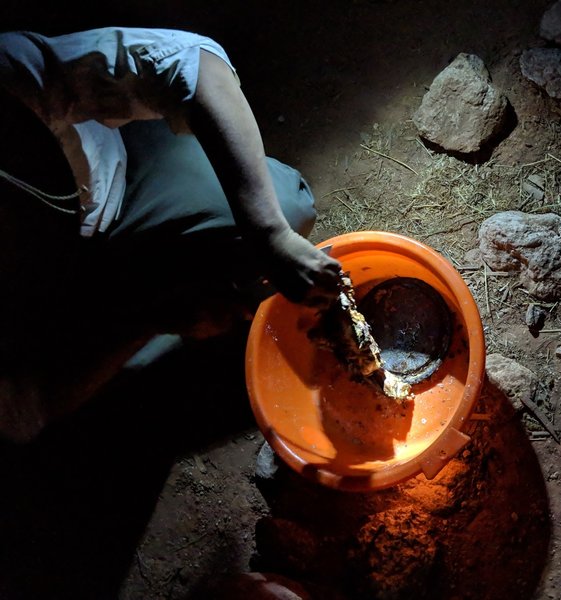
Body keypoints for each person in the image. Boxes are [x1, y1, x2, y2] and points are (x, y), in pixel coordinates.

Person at [0, 27, 342, 443]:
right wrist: (151, 320)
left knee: (283, 208)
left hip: (119, 189)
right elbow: (22, 409)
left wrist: (269, 233)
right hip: (42, 312)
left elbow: (193, 61)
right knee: (114, 413)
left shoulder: (12, 74)